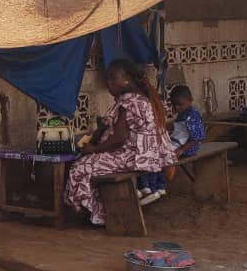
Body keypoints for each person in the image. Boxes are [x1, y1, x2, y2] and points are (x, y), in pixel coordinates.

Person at [65, 59, 176, 226]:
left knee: (80, 167)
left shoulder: (128, 102)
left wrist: (94, 149)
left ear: (126, 79)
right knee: (91, 166)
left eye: (112, 79)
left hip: (131, 157)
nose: (109, 84)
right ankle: (97, 210)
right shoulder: (144, 98)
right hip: (147, 157)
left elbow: (119, 138)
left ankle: (95, 215)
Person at [137, 85, 206, 205]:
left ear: (190, 100)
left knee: (160, 156)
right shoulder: (184, 113)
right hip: (179, 143)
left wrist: (181, 150)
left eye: (180, 104)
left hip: (188, 148)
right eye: (175, 105)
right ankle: (148, 186)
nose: (177, 108)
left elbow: (197, 137)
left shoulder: (192, 115)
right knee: (152, 150)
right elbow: (179, 129)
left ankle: (156, 188)